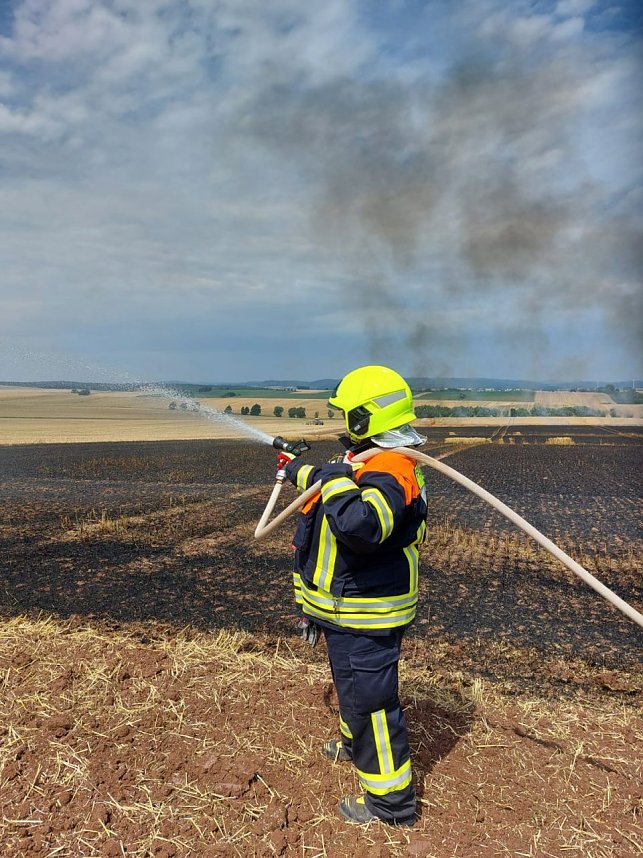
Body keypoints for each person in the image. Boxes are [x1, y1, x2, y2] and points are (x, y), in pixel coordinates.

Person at [276, 365, 427, 826]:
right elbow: (331, 500)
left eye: (347, 416)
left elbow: (361, 525)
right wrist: (306, 473)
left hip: (367, 614)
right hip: (344, 611)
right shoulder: (369, 462)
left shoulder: (393, 469)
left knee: (373, 706)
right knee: (353, 690)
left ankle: (391, 803)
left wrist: (329, 477)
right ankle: (353, 743)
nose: (342, 424)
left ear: (365, 419)